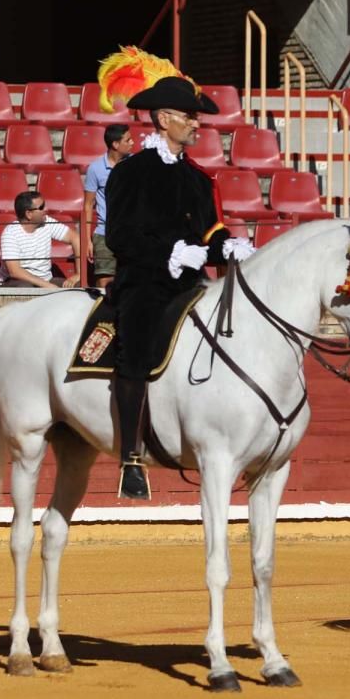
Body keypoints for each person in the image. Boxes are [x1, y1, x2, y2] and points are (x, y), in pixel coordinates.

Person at [104, 72, 252, 500]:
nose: (197, 123)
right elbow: (120, 236)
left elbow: (211, 234)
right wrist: (170, 252)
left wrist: (231, 247)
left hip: (192, 282)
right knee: (138, 343)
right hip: (145, 280)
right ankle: (131, 456)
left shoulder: (198, 179)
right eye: (189, 116)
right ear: (164, 119)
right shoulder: (132, 172)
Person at [83, 124, 135, 287]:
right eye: (128, 140)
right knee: (105, 281)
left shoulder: (135, 164)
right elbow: (88, 205)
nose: (133, 142)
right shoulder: (95, 169)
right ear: (115, 144)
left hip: (131, 233)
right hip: (104, 234)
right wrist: (87, 241)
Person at [0, 191, 81, 289]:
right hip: (16, 281)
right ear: (29, 214)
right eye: (41, 207)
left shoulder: (47, 222)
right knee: (26, 288)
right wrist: (46, 285)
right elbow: (15, 271)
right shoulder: (10, 233)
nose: (46, 209)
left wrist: (78, 274)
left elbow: (75, 238)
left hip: (46, 280)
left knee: (80, 287)